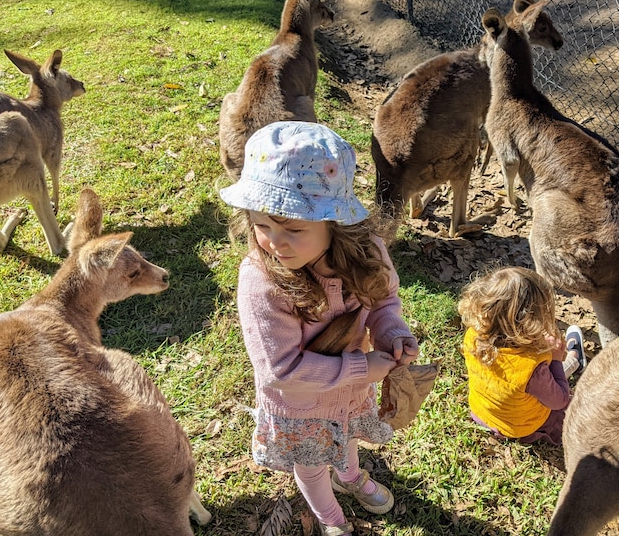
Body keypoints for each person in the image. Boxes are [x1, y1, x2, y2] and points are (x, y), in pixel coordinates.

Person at [219, 121, 419, 536]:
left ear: (335, 222)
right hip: (301, 406)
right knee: (311, 466)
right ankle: (333, 521)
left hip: (348, 391)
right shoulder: (262, 282)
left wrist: (391, 332)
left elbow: (383, 300)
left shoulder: (368, 253)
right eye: (262, 225)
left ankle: (349, 476)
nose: (275, 242)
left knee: (345, 436)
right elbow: (279, 370)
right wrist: (364, 369)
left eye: (293, 228)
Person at [457, 267, 586, 445]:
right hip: (520, 427)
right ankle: (574, 360)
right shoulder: (532, 369)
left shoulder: (474, 334)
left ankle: (574, 361)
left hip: (482, 414)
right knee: (576, 407)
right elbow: (559, 401)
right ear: (531, 320)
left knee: (539, 381)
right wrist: (555, 358)